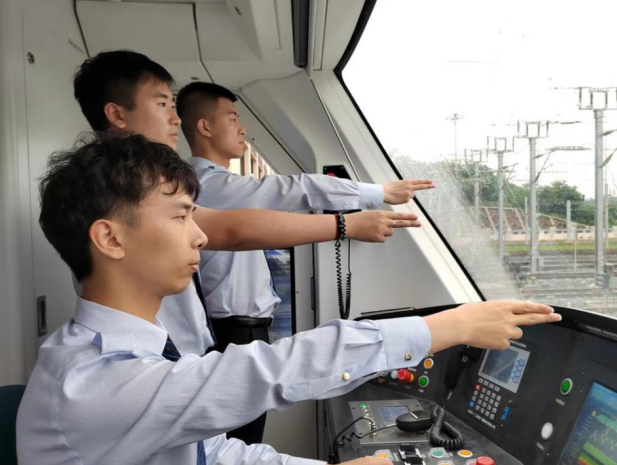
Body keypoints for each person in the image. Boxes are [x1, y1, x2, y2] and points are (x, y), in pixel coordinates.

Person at [16, 134, 561, 465]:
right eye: (181, 216)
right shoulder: (90, 381)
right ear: (110, 239)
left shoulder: (131, 361)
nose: (201, 237)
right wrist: (445, 326)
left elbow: (202, 457)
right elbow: (265, 371)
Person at [174, 80, 436, 465]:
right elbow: (288, 190)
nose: (243, 129)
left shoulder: (220, 187)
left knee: (232, 459)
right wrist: (371, 199)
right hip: (229, 333)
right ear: (204, 126)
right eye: (233, 118)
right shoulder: (207, 185)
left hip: (241, 330)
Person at [72, 50, 430, 356]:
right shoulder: (129, 186)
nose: (174, 118)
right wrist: (347, 222)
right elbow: (235, 228)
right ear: (117, 115)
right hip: (175, 350)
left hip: (187, 347)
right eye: (162, 104)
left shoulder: (142, 182)